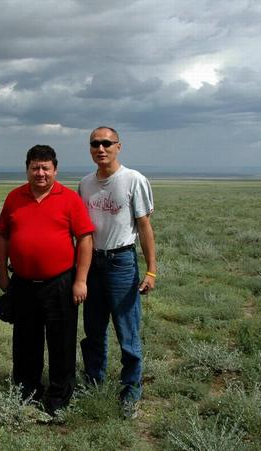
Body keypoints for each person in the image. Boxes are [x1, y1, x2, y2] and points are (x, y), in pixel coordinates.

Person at [0, 145, 94, 415]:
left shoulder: (70, 198)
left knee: (61, 341)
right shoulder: (15, 197)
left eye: (45, 168)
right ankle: (27, 390)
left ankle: (59, 396)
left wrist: (80, 280)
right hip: (23, 283)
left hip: (60, 282)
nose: (40, 173)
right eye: (35, 167)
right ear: (27, 169)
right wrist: (3, 273)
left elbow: (85, 239)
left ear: (55, 170)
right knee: (25, 340)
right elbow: (3, 236)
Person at [78, 126, 157, 419]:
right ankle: (94, 382)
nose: (101, 148)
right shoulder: (85, 184)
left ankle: (130, 392)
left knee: (127, 331)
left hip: (121, 263)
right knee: (93, 330)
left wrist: (151, 271)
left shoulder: (133, 180)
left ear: (118, 146)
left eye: (107, 143)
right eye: (95, 144)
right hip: (92, 263)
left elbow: (145, 227)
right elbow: (81, 232)